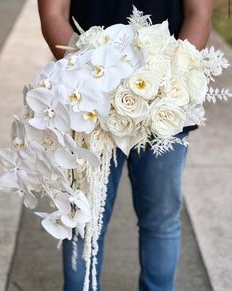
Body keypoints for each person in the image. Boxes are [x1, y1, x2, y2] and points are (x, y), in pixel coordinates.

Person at [38, 1, 214, 290]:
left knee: (161, 220)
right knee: (83, 223)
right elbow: (52, 13)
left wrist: (163, 86)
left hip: (164, 103)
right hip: (88, 105)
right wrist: (87, 80)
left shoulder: (164, 95)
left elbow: (200, 13)